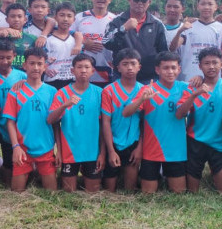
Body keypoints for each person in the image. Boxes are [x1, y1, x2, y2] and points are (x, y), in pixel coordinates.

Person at [123, 51, 188, 194]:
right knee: (148, 195)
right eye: (165, 68)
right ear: (157, 70)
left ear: (179, 69)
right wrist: (141, 100)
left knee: (179, 193)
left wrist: (198, 78)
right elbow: (126, 113)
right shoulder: (147, 90)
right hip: (151, 150)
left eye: (173, 67)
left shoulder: (185, 88)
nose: (170, 71)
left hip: (176, 150)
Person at [176, 47, 222, 194]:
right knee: (192, 192)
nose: (211, 66)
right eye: (207, 63)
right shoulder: (192, 87)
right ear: (200, 66)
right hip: (195, 140)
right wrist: (194, 94)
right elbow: (180, 114)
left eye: (215, 62)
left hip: (219, 141)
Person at [4, 47, 58, 192]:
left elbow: (56, 124)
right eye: (32, 63)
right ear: (24, 65)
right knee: (17, 192)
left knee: (52, 192)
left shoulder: (52, 92)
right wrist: (15, 147)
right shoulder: (15, 91)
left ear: (45, 66)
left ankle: (38, 172)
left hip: (45, 149)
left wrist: (58, 149)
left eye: (40, 64)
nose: (36, 67)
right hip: (23, 149)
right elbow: (10, 122)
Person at [48, 54, 104, 193]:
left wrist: (102, 153)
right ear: (72, 71)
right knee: (69, 193)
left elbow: (105, 126)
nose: (83, 70)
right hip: (69, 151)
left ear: (93, 71)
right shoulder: (62, 93)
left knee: (93, 194)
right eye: (79, 67)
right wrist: (64, 106)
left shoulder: (100, 93)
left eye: (87, 67)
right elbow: (50, 120)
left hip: (92, 152)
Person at [0, 39, 27, 185]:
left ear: (14, 56)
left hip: (13, 124)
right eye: (1, 58)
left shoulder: (22, 76)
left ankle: (1, 166)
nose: (5, 61)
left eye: (9, 57)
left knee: (10, 169)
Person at [104, 0, 168, 84]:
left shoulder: (157, 24)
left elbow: (163, 52)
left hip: (149, 78)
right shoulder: (117, 21)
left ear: (149, 2)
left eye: (144, 0)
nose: (140, 3)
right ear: (129, 0)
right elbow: (106, 42)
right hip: (121, 77)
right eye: (136, 0)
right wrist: (123, 29)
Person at [101, 48, 143, 193]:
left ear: (139, 66)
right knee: (109, 191)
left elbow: (145, 123)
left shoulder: (144, 90)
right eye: (125, 64)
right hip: (113, 141)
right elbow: (105, 121)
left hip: (133, 142)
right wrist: (110, 150)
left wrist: (140, 148)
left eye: (133, 63)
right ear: (117, 67)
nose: (129, 67)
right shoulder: (109, 90)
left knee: (129, 190)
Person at [169, 0, 222, 81]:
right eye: (203, 4)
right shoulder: (188, 27)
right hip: (188, 78)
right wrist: (179, 31)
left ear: (216, 7)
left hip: (212, 80)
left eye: (210, 4)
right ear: (198, 6)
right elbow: (172, 48)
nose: (206, 7)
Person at [72, 0, 117, 85]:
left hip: (107, 71)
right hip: (83, 72)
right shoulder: (80, 17)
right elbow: (67, 37)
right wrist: (83, 44)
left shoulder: (115, 20)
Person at [0, 3, 35, 69]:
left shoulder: (32, 39)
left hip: (24, 77)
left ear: (25, 19)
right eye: (13, 16)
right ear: (6, 20)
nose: (16, 19)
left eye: (19, 16)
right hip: (2, 78)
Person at [45, 2, 83, 90]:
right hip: (52, 82)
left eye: (69, 16)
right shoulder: (47, 40)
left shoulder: (76, 40)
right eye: (62, 15)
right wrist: (45, 69)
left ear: (74, 19)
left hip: (72, 81)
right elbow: (40, 60)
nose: (65, 19)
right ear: (55, 17)